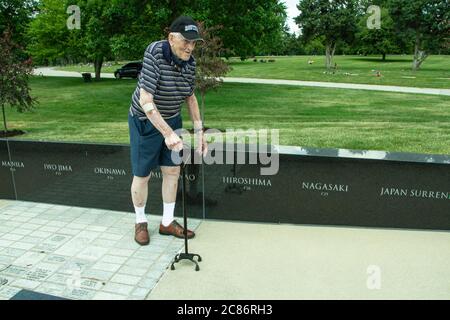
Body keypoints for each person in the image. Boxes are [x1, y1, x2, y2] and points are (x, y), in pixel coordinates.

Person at [128, 16, 208, 246]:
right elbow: (146, 101)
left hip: (172, 118)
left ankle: (167, 222)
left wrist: (200, 133)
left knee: (172, 171)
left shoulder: (190, 62)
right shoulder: (154, 52)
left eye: (194, 43)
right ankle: (140, 222)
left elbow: (190, 98)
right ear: (171, 38)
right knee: (142, 174)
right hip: (145, 120)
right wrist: (167, 133)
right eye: (186, 41)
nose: (190, 47)